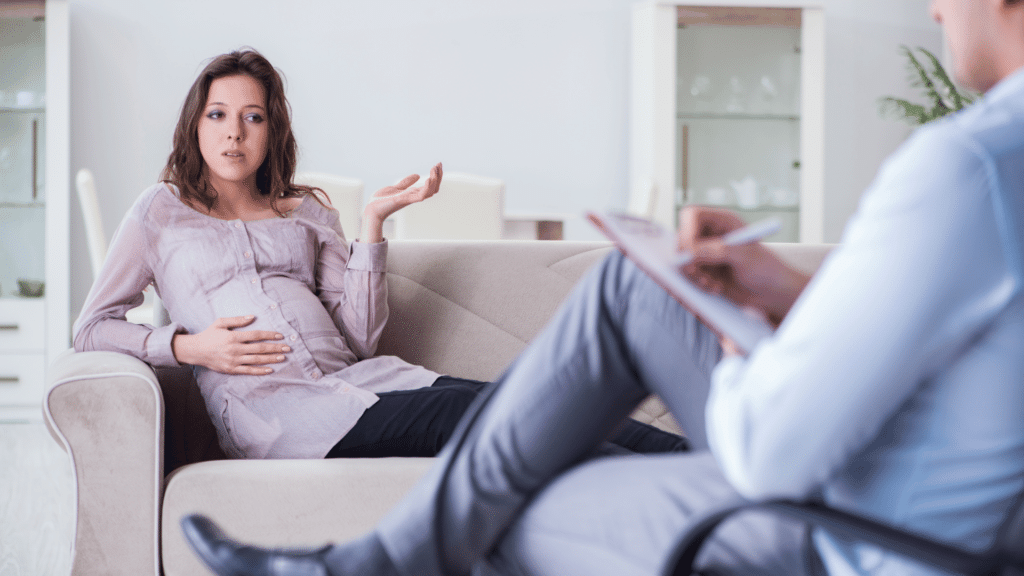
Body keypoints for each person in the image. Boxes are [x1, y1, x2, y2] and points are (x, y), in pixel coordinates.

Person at [181, 0, 1024, 573]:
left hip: (860, 533)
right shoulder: (992, 160)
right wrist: (783, 291)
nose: (933, 8)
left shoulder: (970, 165)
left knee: (498, 500)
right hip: (928, 502)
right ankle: (377, 560)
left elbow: (772, 447)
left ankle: (378, 561)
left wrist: (737, 333)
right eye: (219, 114)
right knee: (632, 288)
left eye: (250, 114)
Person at [73, 48, 688, 462]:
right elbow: (91, 329)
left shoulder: (308, 212)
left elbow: (361, 342)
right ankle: (683, 469)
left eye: (252, 116)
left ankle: (687, 463)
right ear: (196, 124)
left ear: (272, 130)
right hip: (278, 413)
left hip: (362, 383)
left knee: (528, 394)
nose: (233, 132)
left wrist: (371, 226)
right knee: (473, 414)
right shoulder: (161, 212)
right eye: (218, 114)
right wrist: (189, 348)